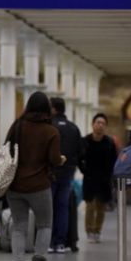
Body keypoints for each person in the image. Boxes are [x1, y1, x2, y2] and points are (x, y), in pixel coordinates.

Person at [6, 92, 65, 261]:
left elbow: (6, 150)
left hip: (14, 185)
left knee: (19, 227)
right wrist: (62, 160)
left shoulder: (17, 126)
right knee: (45, 225)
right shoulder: (51, 131)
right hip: (39, 186)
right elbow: (55, 160)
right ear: (47, 109)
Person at [49, 97, 83, 253]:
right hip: (68, 172)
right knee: (63, 206)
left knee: (49, 207)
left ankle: (48, 242)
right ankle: (60, 243)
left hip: (51, 172)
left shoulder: (49, 126)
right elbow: (80, 151)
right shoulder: (74, 128)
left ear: (54, 109)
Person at [80, 113, 117, 244]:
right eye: (98, 122)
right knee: (90, 206)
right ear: (93, 124)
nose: (100, 125)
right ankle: (89, 231)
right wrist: (84, 171)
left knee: (101, 207)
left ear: (105, 126)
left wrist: (110, 176)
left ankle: (97, 231)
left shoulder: (109, 142)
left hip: (104, 180)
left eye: (103, 123)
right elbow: (79, 159)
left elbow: (114, 160)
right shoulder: (85, 141)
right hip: (89, 178)